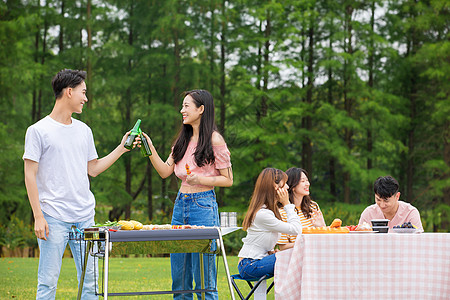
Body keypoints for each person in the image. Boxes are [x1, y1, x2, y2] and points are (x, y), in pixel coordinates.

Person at [23, 69, 133, 299]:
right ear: (69, 91)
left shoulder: (84, 131)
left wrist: (122, 148)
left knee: (91, 281)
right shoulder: (38, 131)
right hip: (53, 216)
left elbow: (92, 169)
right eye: (83, 92)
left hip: (84, 217)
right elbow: (29, 174)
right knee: (48, 282)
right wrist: (38, 216)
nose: (86, 98)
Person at [140, 89, 233, 300]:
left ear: (201, 109)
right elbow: (165, 171)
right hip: (180, 206)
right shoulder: (182, 140)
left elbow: (228, 179)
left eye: (186, 106)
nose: (182, 110)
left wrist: (200, 179)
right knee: (180, 277)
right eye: (182, 106)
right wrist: (150, 148)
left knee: (204, 278)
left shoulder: (214, 140)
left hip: (203, 206)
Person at [237, 168, 302, 280]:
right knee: (296, 256)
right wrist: (287, 204)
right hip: (249, 266)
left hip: (255, 262)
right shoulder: (263, 214)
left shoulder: (267, 211)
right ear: (274, 187)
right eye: (284, 184)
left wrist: (270, 253)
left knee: (296, 255)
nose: (287, 187)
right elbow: (297, 229)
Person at [277, 167, 326, 250]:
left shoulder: (313, 206)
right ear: (292, 186)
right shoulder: (281, 212)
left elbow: (324, 236)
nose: (308, 184)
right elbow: (283, 247)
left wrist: (322, 226)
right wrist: (306, 241)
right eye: (303, 181)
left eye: (307, 180)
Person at [359, 175, 424, 232]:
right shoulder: (368, 213)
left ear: (397, 196)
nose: (382, 205)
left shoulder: (410, 213)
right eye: (378, 200)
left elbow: (418, 240)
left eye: (386, 201)